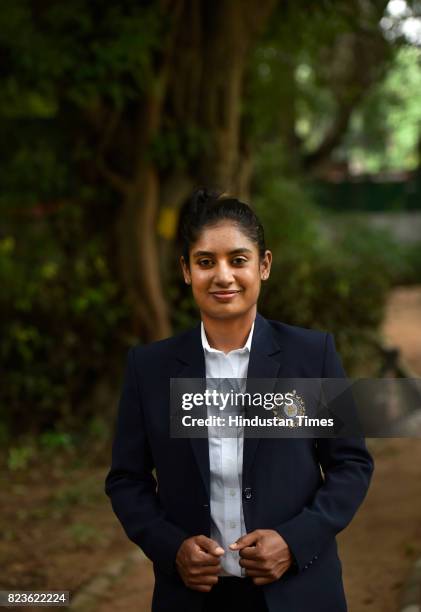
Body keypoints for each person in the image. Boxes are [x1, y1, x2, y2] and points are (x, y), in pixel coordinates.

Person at [104, 189, 374, 612]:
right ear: (186, 270)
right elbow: (127, 480)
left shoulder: (310, 356)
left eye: (239, 259)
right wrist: (171, 548)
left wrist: (294, 541)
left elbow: (350, 464)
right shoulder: (150, 369)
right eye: (206, 262)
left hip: (299, 592)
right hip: (192, 598)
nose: (223, 276)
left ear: (264, 266)